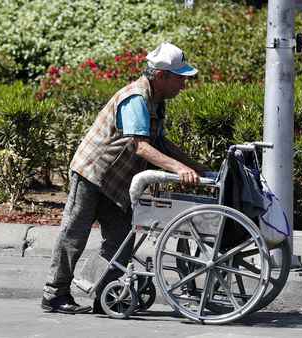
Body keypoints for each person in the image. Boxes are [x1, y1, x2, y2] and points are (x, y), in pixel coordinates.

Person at [41, 42, 208, 314]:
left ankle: (102, 294)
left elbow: (161, 143)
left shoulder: (157, 100)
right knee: (74, 233)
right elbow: (139, 145)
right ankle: (54, 293)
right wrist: (178, 170)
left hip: (116, 181)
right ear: (162, 76)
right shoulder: (136, 98)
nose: (184, 85)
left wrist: (197, 167)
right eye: (181, 78)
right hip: (92, 172)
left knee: (122, 238)